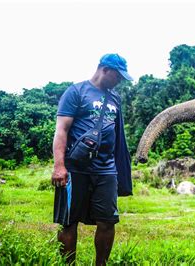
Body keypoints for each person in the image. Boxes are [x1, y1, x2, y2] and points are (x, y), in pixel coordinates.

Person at [51, 53, 133, 265]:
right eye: (118, 75)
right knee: (69, 222)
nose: (120, 80)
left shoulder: (115, 98)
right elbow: (61, 130)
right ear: (104, 69)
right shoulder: (76, 92)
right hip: (76, 168)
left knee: (108, 221)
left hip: (106, 169)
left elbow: (117, 136)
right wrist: (59, 166)